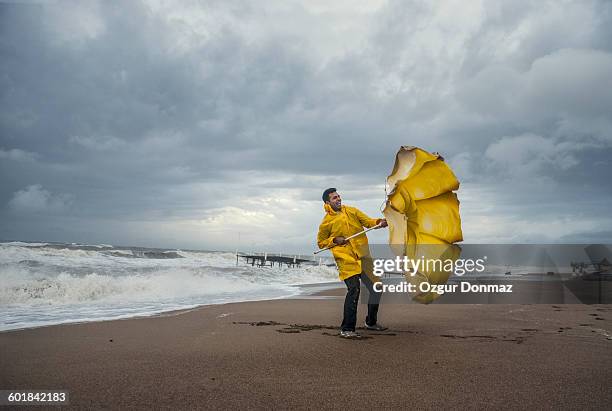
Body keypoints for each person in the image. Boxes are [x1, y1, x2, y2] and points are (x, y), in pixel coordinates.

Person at [317, 188, 388, 338]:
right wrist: (335, 240)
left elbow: (368, 222)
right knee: (354, 290)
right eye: (334, 198)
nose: (338, 199)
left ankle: (371, 322)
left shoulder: (352, 211)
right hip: (346, 260)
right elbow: (321, 243)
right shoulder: (326, 223)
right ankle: (347, 329)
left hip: (363, 257)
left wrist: (379, 222)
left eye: (339, 196)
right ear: (327, 202)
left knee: (377, 287)